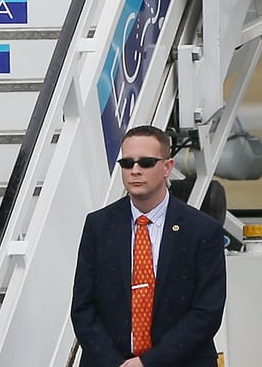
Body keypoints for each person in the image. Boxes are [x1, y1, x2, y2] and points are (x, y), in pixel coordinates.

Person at [71, 126, 226, 367]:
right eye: (127, 163)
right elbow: (83, 308)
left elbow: (207, 312)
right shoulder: (98, 226)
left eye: (146, 162)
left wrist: (148, 362)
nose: (135, 170)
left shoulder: (202, 230)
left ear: (167, 167)